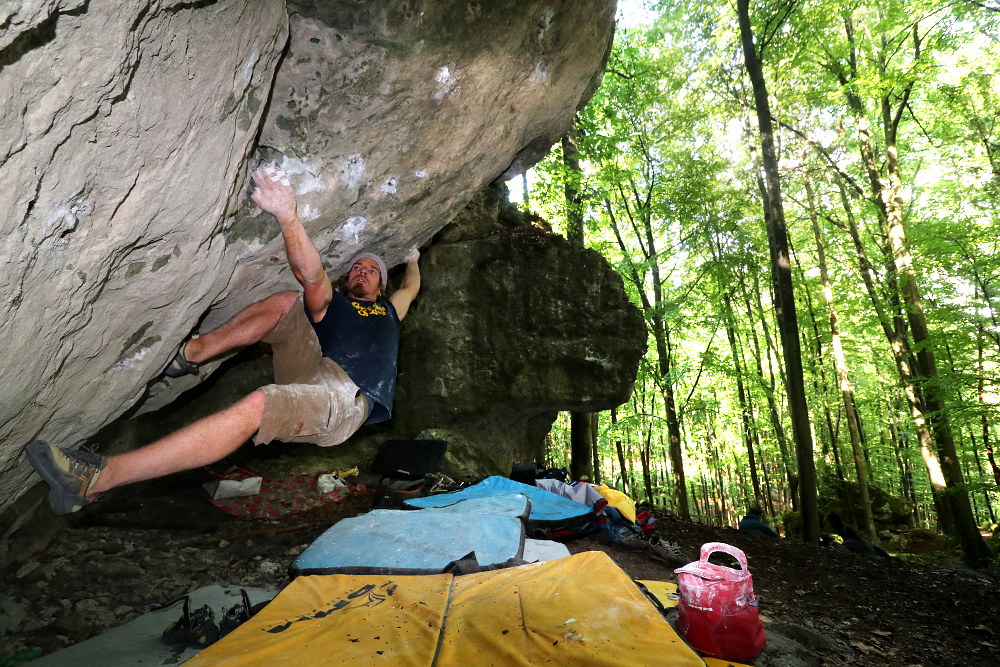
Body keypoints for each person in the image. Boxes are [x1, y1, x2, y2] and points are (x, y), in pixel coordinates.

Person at [26, 164, 421, 515]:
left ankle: (98, 479)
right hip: (314, 368)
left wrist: (414, 262)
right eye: (357, 266)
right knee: (290, 302)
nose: (362, 271)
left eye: (372, 270)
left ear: (382, 285)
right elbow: (313, 277)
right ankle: (192, 353)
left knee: (258, 404)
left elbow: (411, 288)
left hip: (345, 398)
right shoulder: (333, 306)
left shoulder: (389, 313)